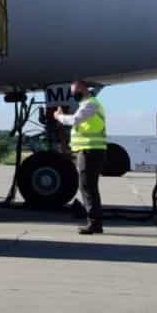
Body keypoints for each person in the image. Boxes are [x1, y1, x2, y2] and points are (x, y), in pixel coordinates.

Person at [51, 80, 106, 235]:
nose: (74, 95)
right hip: (88, 151)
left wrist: (59, 117)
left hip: (91, 151)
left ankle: (94, 223)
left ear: (84, 90)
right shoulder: (87, 104)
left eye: (76, 91)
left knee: (88, 187)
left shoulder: (91, 104)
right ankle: (95, 222)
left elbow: (75, 120)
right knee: (88, 186)